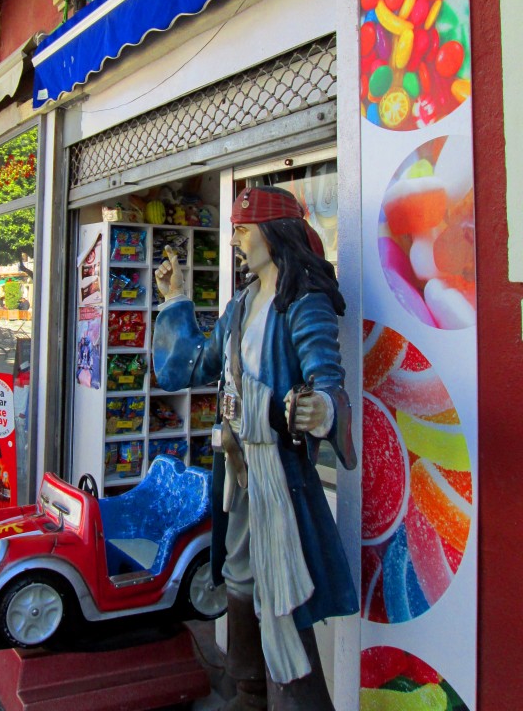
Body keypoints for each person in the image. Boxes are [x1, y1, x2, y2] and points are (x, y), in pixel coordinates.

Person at [153, 186, 358, 711]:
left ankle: (295, 700)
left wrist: (321, 409)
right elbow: (195, 364)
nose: (235, 240)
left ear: (274, 233)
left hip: (279, 474)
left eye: (242, 230)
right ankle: (248, 692)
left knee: (281, 586)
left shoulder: (303, 303)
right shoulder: (242, 304)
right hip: (238, 466)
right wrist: (176, 300)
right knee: (241, 572)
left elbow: (326, 379)